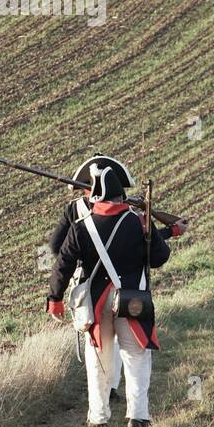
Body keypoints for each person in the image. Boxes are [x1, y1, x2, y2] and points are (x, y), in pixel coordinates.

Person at [47, 157, 187, 427]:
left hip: (97, 303)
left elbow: (61, 263)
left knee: (98, 359)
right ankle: (138, 418)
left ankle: (98, 417)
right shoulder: (137, 222)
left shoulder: (81, 227)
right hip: (133, 300)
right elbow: (160, 258)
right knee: (136, 357)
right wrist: (150, 230)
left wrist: (55, 299)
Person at [48, 155, 123, 404]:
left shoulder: (74, 210)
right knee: (122, 340)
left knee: (97, 340)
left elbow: (57, 247)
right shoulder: (126, 208)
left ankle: (99, 401)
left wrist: (78, 257)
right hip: (123, 283)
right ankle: (112, 387)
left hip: (89, 282)